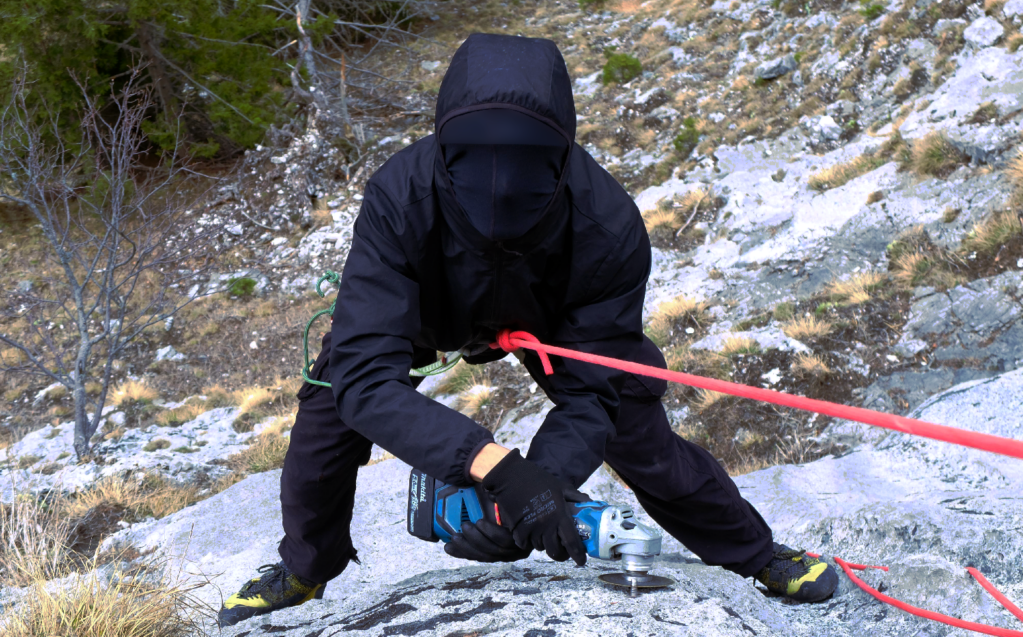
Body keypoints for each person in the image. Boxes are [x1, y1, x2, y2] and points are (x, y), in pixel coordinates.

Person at [217, 33, 838, 628]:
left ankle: (753, 553)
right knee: (328, 414)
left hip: (551, 320)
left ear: (561, 157)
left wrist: (543, 492)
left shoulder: (608, 224)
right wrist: (499, 472)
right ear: (444, 148)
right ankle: (307, 568)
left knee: (639, 433)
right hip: (425, 311)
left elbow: (594, 389)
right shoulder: (398, 198)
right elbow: (363, 375)